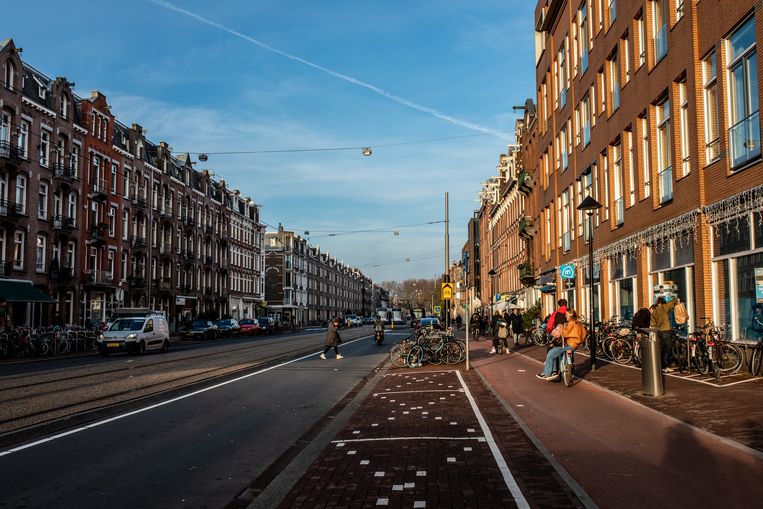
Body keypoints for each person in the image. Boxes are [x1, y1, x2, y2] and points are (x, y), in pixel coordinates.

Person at [536, 308, 586, 380]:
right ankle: (557, 371)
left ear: (570, 314)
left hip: (570, 344)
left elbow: (565, 332)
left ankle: (547, 374)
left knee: (551, 353)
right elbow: (583, 333)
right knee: (556, 351)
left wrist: (559, 331)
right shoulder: (578, 322)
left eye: (566, 314)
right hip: (576, 343)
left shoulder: (571, 322)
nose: (565, 316)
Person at [651, 296, 680, 372]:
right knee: (668, 348)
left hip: (659, 331)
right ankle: (665, 365)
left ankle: (662, 366)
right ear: (662, 302)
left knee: (662, 349)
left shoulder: (655, 310)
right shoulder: (664, 307)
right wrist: (677, 299)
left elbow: (652, 323)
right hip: (666, 331)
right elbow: (673, 302)